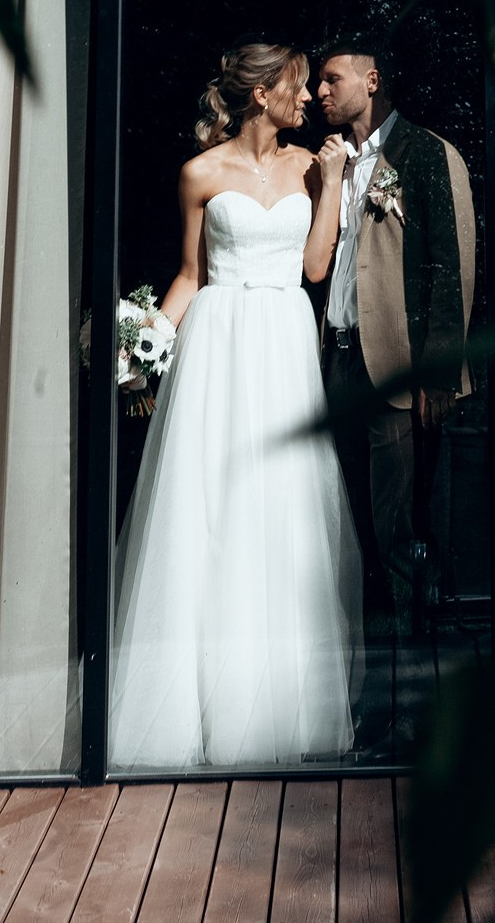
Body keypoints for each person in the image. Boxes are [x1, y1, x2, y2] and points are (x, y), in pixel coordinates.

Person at [109, 43, 362, 768]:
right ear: (261, 94)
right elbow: (191, 274)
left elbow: (314, 267)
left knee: (278, 509)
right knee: (208, 509)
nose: (308, 97)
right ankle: (189, 709)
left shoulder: (311, 165)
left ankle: (275, 707)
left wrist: (335, 183)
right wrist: (144, 347)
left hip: (282, 341)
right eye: (296, 86)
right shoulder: (201, 173)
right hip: (217, 346)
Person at [315, 45, 475, 628]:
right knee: (347, 499)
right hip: (338, 356)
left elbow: (453, 267)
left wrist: (438, 373)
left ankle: (411, 642)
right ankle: (367, 624)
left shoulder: (427, 153)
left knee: (399, 509)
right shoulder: (332, 163)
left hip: (397, 363)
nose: (320, 92)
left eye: (332, 79)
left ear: (372, 81)